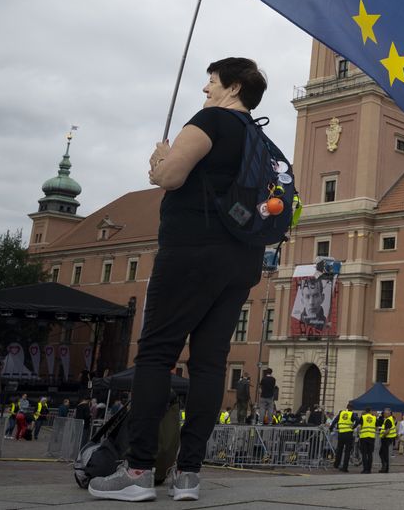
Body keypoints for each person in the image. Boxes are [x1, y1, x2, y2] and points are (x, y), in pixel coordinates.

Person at [88, 58, 270, 503]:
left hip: (192, 250)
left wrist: (158, 162)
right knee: (210, 363)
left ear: (233, 87)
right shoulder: (259, 138)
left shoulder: (210, 120)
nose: (206, 89)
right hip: (241, 259)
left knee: (155, 355)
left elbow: (170, 177)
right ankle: (188, 475)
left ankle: (138, 471)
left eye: (211, 81)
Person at [334, 405, 358, 471]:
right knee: (347, 451)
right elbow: (358, 420)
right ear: (352, 408)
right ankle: (345, 467)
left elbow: (335, 420)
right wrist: (353, 427)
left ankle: (336, 464)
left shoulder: (341, 413)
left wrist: (331, 428)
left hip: (341, 434)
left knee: (339, 450)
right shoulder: (352, 414)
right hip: (348, 434)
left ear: (347, 408)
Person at [358, 409, 377, 473]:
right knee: (370, 454)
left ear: (366, 411)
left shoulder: (363, 417)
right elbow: (376, 427)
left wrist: (359, 433)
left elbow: (359, 427)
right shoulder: (374, 418)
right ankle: (369, 469)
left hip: (364, 437)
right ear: (370, 411)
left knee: (364, 454)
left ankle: (365, 469)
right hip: (371, 437)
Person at [379, 407, 397, 473]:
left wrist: (383, 435)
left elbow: (388, 430)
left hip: (386, 439)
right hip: (389, 438)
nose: (383, 414)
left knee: (383, 453)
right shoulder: (390, 419)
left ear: (388, 413)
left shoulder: (388, 420)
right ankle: (385, 468)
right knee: (383, 453)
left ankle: (385, 468)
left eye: (384, 413)